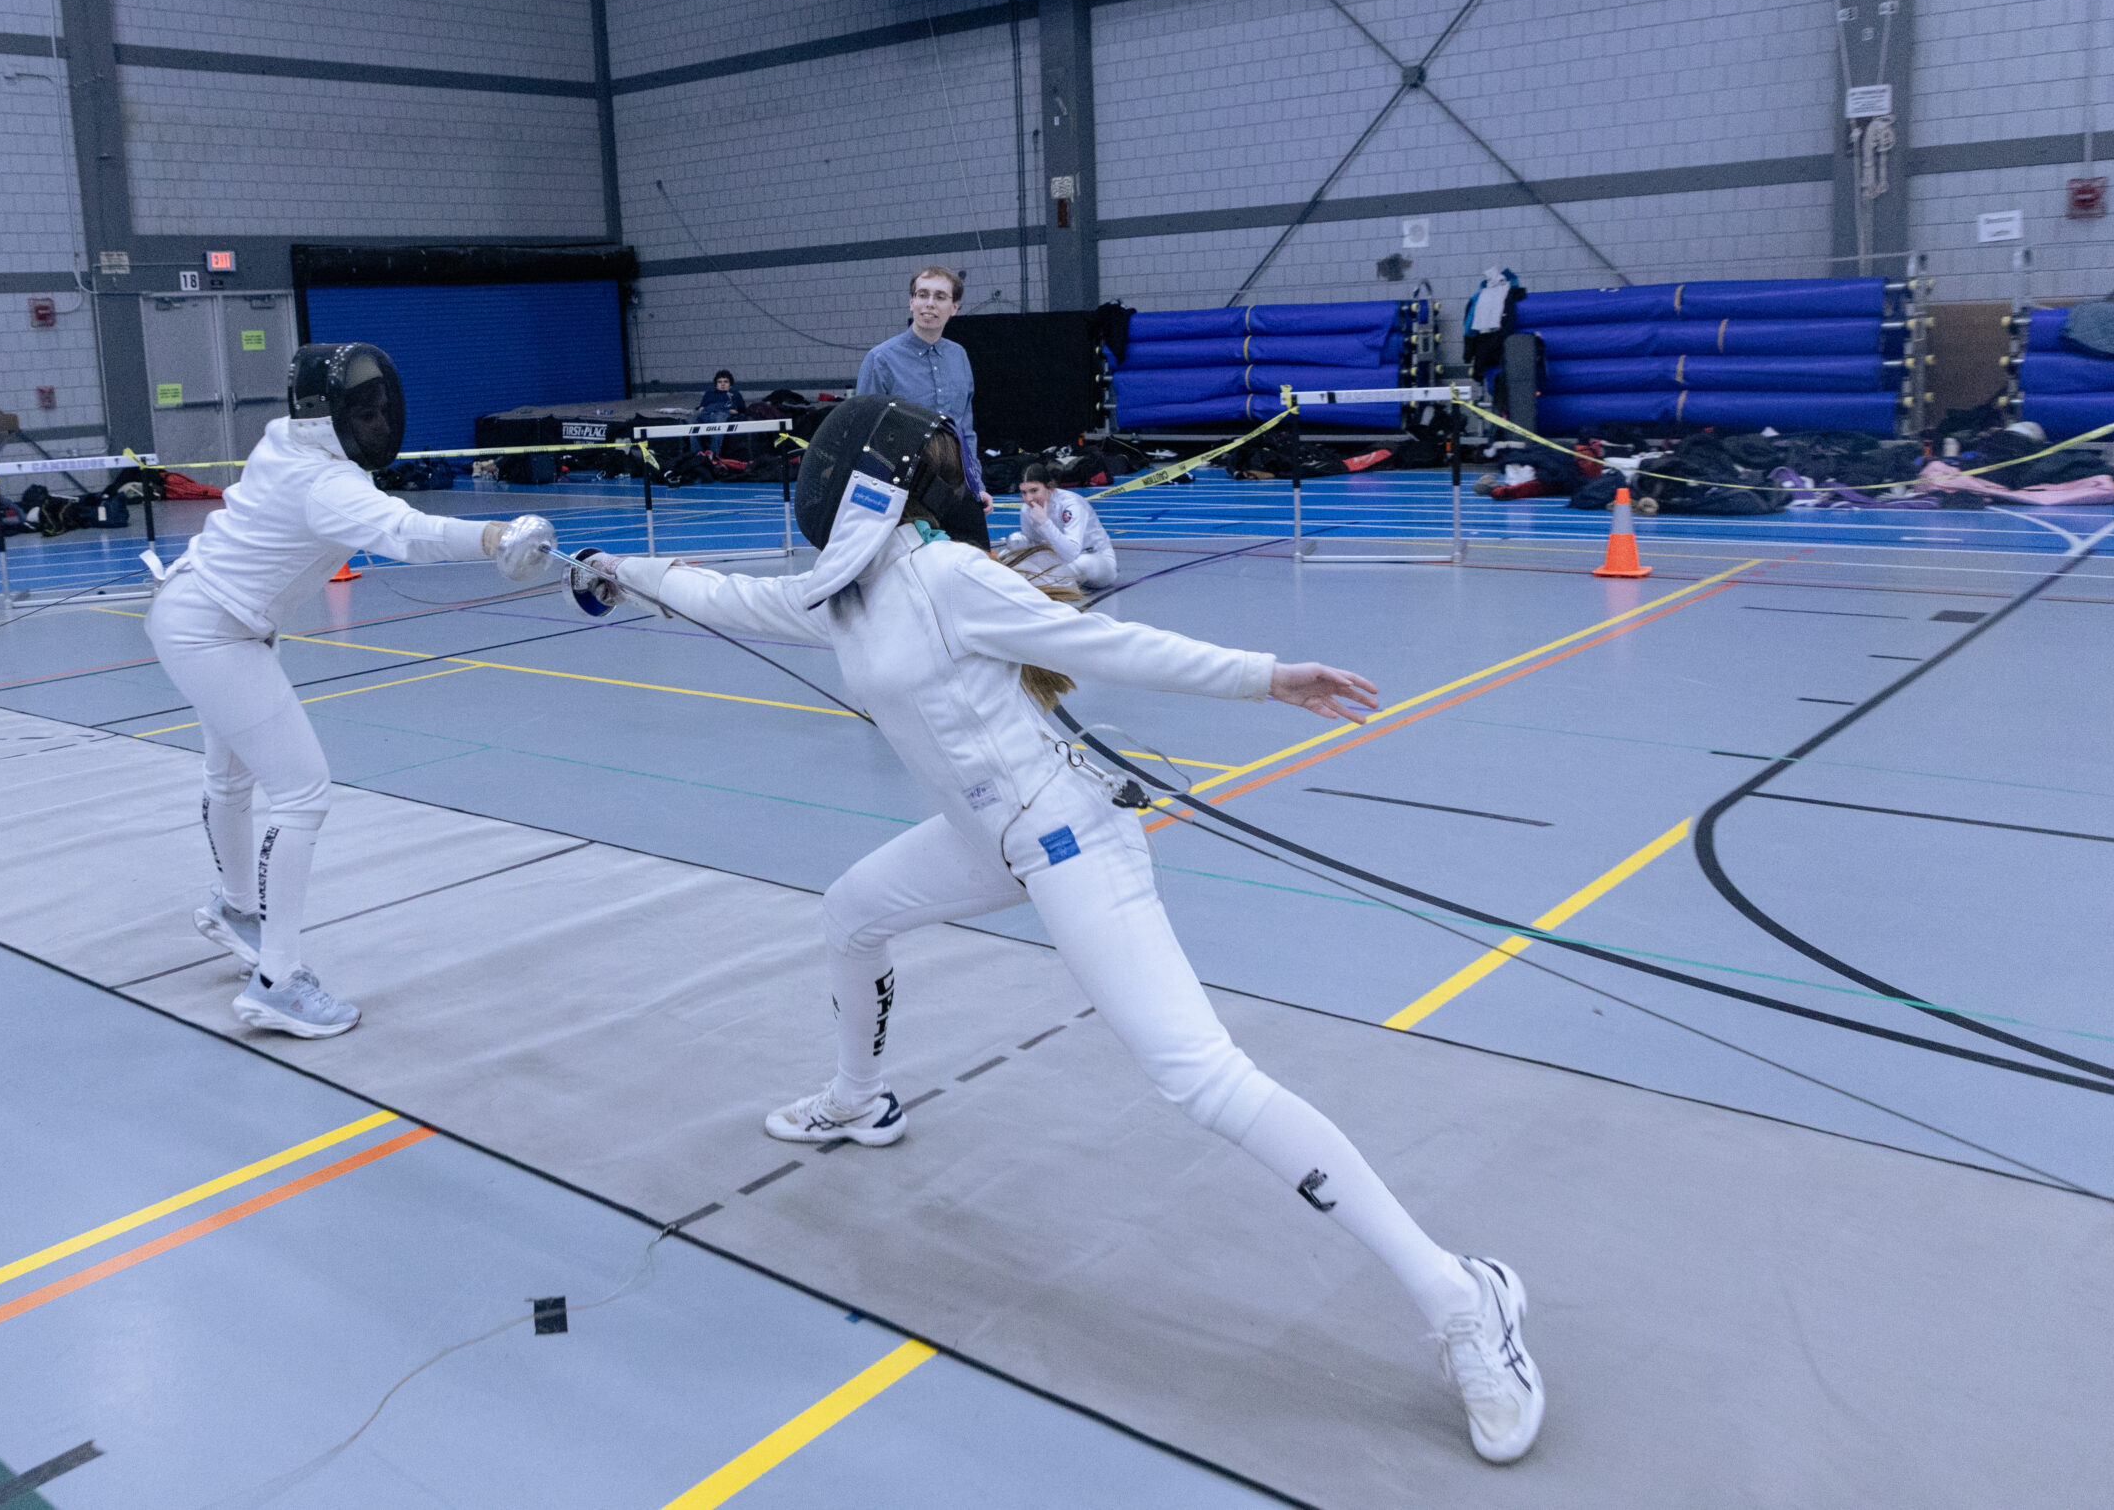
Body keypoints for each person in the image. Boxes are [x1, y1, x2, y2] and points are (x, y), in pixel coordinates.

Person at [577, 396, 1543, 1465]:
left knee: (1199, 1076)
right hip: (980, 838)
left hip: (1069, 841)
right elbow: (726, 593)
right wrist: (617, 567)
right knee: (851, 913)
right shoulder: (842, 593)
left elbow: (1105, 642)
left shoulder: (949, 577)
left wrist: (1263, 676)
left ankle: (1463, 1297)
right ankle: (858, 1097)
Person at [146, 342, 558, 1039]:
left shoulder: (286, 439)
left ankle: (237, 909)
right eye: (363, 413)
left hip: (199, 613)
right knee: (302, 793)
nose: (377, 423)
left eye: (380, 410)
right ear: (324, 416)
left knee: (232, 777)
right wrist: (494, 536)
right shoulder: (322, 482)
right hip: (213, 633)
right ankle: (277, 981)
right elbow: (406, 532)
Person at [856, 265, 991, 510]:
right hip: (900, 492)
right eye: (922, 295)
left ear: (954, 307)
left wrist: (976, 485)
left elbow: (965, 431)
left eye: (940, 297)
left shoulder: (959, 356)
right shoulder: (880, 359)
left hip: (954, 489)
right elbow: (866, 434)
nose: (930, 303)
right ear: (912, 302)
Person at [1002, 460, 1117, 589]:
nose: (1029, 498)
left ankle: (1047, 585)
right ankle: (1047, 581)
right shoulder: (1026, 509)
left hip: (1096, 560)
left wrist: (1045, 523)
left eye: (1034, 490)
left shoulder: (1071, 505)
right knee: (1015, 541)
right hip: (1060, 561)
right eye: (1024, 492)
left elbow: (1071, 553)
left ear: (1050, 486)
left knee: (1083, 563)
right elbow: (1033, 546)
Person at [695, 370, 745, 458]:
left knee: (719, 417)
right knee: (692, 418)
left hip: (723, 415)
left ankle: (714, 452)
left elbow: (741, 411)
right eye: (720, 382)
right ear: (716, 384)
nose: (722, 384)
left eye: (725, 382)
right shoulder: (709, 394)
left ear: (730, 384)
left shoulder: (735, 394)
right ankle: (696, 452)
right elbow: (701, 408)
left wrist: (731, 411)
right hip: (708, 415)